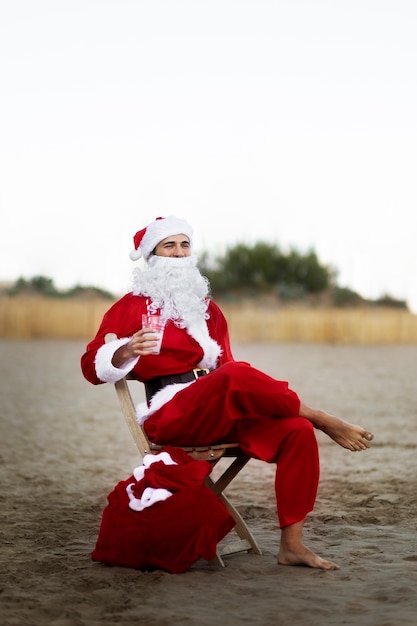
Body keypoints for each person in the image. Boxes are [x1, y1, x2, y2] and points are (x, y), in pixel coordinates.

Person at [81, 215, 374, 571]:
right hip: (171, 412)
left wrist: (251, 399)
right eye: (168, 246)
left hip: (219, 407)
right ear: (152, 255)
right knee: (238, 376)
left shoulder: (208, 311)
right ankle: (321, 417)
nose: (178, 253)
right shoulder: (130, 307)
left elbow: (227, 369)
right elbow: (91, 366)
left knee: (295, 432)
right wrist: (126, 351)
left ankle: (292, 545)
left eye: (184, 245)